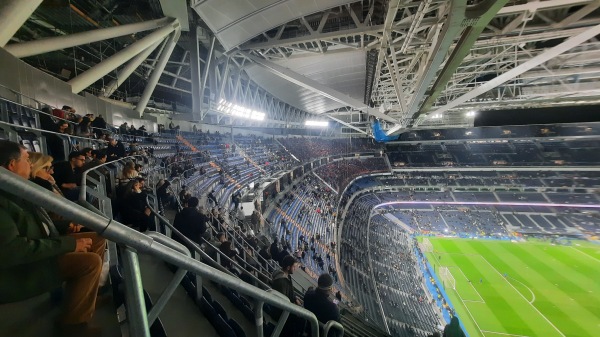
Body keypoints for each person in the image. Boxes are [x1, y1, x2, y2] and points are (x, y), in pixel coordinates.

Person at [0, 140, 105, 336]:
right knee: (90, 262)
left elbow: (38, 224)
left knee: (98, 238)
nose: (31, 164)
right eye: (26, 159)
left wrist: (66, 227)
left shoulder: (17, 189)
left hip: (44, 248)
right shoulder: (4, 199)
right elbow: (13, 251)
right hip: (24, 269)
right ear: (11, 165)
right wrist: (69, 244)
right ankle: (74, 324)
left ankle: (87, 296)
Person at [271, 255, 301, 337]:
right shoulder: (281, 281)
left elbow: (289, 292)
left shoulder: (287, 276)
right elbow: (282, 303)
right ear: (288, 267)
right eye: (294, 267)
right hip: (282, 313)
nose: (295, 269)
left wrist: (295, 298)